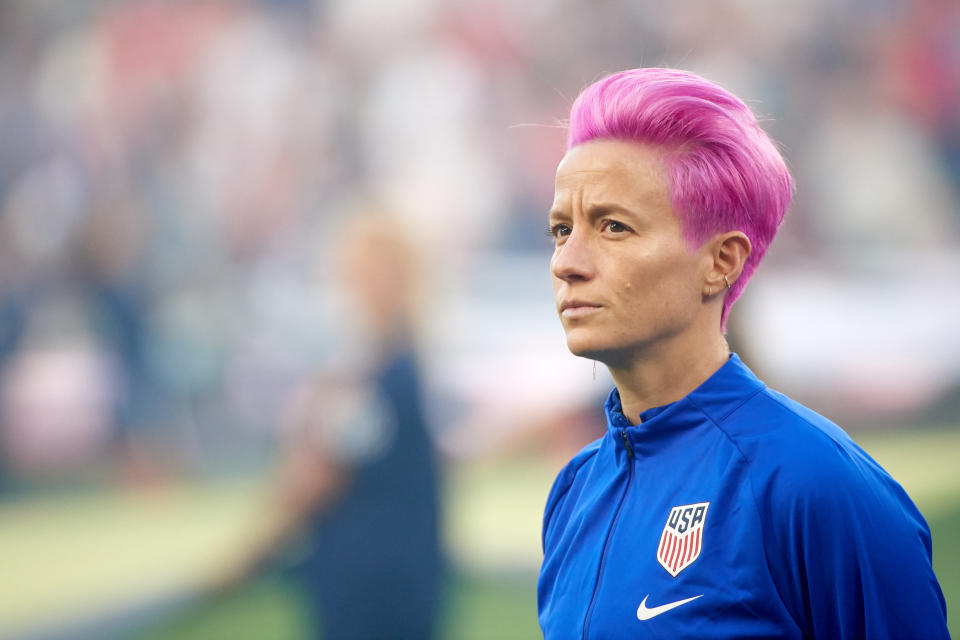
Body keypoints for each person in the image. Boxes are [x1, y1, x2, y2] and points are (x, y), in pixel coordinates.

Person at [537, 68, 948, 639]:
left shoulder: (815, 483)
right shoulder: (575, 492)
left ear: (721, 262)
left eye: (613, 227)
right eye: (561, 230)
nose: (567, 262)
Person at [211, 211, 443, 639]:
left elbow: (318, 476)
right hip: (405, 580)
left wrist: (246, 559)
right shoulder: (397, 362)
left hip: (367, 589)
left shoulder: (377, 374)